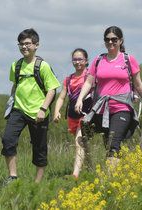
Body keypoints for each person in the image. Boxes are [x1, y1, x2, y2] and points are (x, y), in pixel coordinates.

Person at [75, 26, 142, 165]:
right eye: (107, 40)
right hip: (101, 109)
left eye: (114, 39)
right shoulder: (98, 60)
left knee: (113, 143)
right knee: (95, 139)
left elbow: (138, 84)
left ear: (120, 41)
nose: (110, 42)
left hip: (122, 108)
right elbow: (89, 82)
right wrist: (80, 99)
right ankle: (105, 171)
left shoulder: (128, 60)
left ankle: (109, 182)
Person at [1, 28, 60, 183]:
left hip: (38, 113)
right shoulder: (16, 65)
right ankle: (12, 177)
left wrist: (43, 109)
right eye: (21, 44)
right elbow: (15, 86)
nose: (24, 47)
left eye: (27, 43)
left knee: (39, 147)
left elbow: (52, 90)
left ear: (36, 45)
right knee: (7, 140)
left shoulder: (43, 66)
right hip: (18, 110)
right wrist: (10, 104)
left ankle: (37, 183)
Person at [53, 48, 92, 179]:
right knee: (83, 144)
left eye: (80, 59)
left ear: (86, 61)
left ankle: (75, 174)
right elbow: (61, 97)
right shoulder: (68, 79)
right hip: (72, 116)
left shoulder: (90, 77)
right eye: (74, 59)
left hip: (86, 115)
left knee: (78, 141)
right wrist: (56, 111)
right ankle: (90, 169)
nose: (77, 62)